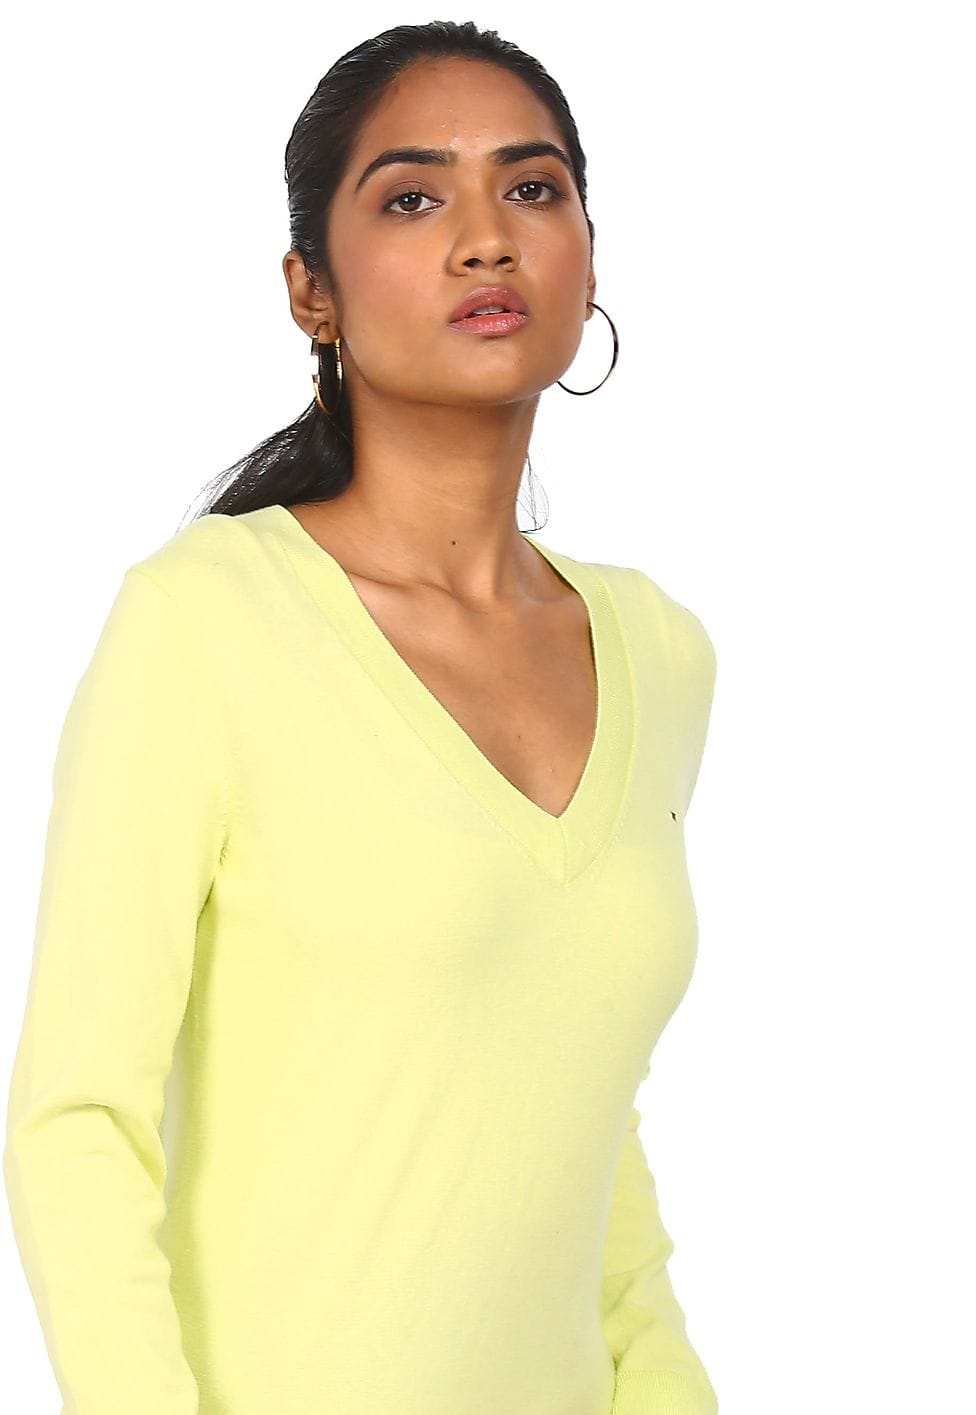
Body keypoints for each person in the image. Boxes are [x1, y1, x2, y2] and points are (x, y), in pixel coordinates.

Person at [3, 20, 719, 1415]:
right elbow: (76, 1123)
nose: (485, 239)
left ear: (588, 253)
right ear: (310, 291)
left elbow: (578, 1117)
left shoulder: (659, 650)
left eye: (531, 187)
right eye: (411, 198)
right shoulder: (205, 623)